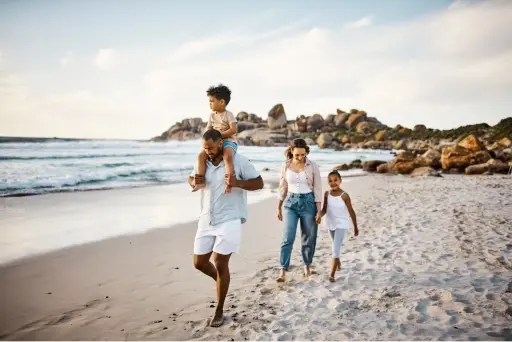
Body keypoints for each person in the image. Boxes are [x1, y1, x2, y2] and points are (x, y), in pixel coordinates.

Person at [188, 128, 264, 328]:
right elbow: (192, 178)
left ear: (220, 143)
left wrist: (237, 182)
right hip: (206, 218)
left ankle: (219, 309)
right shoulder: (203, 160)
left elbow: (259, 183)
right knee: (199, 262)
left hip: (230, 218)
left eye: (211, 148)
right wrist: (192, 180)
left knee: (220, 262)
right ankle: (222, 282)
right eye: (205, 148)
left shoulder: (238, 161)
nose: (208, 151)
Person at [276, 138, 322, 282]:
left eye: (303, 154)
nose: (301, 157)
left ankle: (307, 265)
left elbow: (318, 189)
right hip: (290, 203)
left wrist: (319, 210)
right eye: (297, 155)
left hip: (309, 203)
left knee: (309, 236)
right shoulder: (285, 165)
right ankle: (283, 269)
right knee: (287, 237)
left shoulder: (312, 166)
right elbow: (282, 186)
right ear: (291, 152)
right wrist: (279, 206)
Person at [192, 84, 238, 194]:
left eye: (212, 101)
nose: (209, 103)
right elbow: (208, 129)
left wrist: (219, 135)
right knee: (200, 156)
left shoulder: (228, 115)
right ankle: (200, 181)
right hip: (215, 142)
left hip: (228, 142)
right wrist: (208, 137)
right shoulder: (212, 116)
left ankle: (229, 182)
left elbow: (233, 130)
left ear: (222, 102)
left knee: (227, 157)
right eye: (209, 101)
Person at [320, 170, 359, 282]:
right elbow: (324, 209)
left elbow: (351, 211)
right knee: (334, 245)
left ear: (340, 180)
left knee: (335, 249)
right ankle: (338, 261)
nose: (333, 183)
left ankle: (332, 274)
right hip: (330, 222)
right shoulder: (327, 194)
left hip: (341, 224)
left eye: (335, 180)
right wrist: (318, 216)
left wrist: (356, 227)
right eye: (330, 181)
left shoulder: (344, 195)